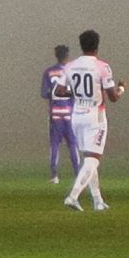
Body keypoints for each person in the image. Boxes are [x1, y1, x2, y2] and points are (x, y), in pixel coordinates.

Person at [55, 28, 123, 212]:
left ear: (81, 45)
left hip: (77, 115)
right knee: (93, 159)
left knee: (88, 158)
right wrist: (122, 89)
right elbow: (113, 97)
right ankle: (73, 196)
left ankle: (97, 201)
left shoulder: (70, 66)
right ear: (97, 45)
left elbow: (59, 91)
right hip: (96, 116)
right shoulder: (102, 67)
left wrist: (75, 93)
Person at [43, 45, 78, 185]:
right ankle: (77, 174)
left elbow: (44, 93)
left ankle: (55, 176)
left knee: (55, 145)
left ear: (55, 55)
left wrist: (55, 94)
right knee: (73, 145)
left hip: (55, 114)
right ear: (68, 55)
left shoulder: (49, 72)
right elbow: (76, 92)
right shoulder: (73, 71)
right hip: (70, 113)